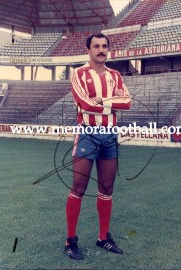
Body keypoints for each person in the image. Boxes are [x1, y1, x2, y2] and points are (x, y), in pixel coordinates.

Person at [64, 33, 131, 260]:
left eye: (104, 46)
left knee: (107, 188)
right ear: (89, 50)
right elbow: (83, 104)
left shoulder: (115, 75)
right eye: (96, 46)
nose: (101, 50)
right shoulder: (79, 74)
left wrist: (102, 101)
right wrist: (111, 104)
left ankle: (103, 237)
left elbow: (128, 102)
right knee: (79, 187)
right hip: (87, 134)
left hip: (109, 135)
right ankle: (70, 240)